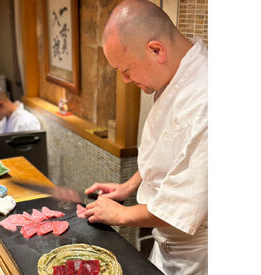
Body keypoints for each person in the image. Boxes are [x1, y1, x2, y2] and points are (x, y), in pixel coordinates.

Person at [84, 0, 207, 274]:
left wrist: (122, 214)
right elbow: (171, 149)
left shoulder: (206, 99)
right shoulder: (176, 74)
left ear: (156, 50)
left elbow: (185, 206)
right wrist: (127, 187)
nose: (126, 80)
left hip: (199, 257)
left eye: (126, 70)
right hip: (166, 245)